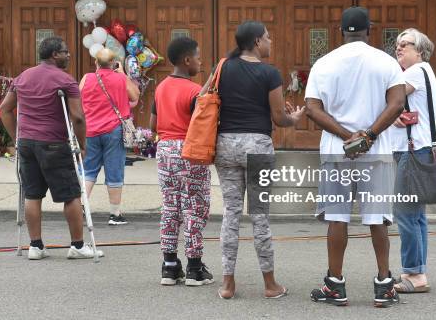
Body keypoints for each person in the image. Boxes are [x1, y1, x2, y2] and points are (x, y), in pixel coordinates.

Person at [305, 6, 405, 307]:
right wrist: (369, 135)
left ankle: (335, 285)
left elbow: (312, 108)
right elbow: (398, 103)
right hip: (378, 151)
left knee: (337, 218)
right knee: (377, 219)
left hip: (337, 152)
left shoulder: (323, 63)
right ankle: (384, 285)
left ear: (341, 31)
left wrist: (346, 137)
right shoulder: (386, 62)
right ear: (369, 30)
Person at [207, 21, 305, 299]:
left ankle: (227, 284)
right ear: (257, 42)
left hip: (225, 145)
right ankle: (270, 284)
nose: (271, 42)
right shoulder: (269, 73)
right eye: (268, 38)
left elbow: (202, 98)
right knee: (260, 215)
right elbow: (278, 118)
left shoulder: (222, 67)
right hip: (258, 146)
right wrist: (294, 118)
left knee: (231, 214)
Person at [0, 36, 96, 260]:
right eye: (65, 52)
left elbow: (5, 109)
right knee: (71, 195)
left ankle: (35, 246)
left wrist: (17, 137)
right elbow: (78, 118)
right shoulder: (65, 80)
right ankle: (78, 246)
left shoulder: (22, 77)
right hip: (54, 143)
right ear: (55, 55)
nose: (69, 55)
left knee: (32, 194)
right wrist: (82, 145)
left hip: (26, 144)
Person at [150, 37, 213, 287]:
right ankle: (195, 268)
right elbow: (202, 125)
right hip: (189, 150)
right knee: (194, 208)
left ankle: (169, 265)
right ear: (187, 60)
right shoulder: (194, 91)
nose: (200, 61)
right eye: (198, 57)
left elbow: (153, 125)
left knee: (170, 207)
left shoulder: (160, 87)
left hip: (164, 149)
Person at [390, 28, 436, 294]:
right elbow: (403, 107)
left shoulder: (413, 73)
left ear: (419, 50)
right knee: (417, 215)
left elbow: (391, 98)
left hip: (412, 152)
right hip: (421, 150)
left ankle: (414, 273)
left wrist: (390, 112)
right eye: (397, 44)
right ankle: (417, 270)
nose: (399, 48)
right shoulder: (426, 72)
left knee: (405, 213)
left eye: (405, 45)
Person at [79, 48, 140, 225]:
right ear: (114, 63)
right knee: (115, 170)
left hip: (90, 130)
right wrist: (122, 72)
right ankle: (115, 214)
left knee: (88, 170)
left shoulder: (87, 78)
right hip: (113, 130)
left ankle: (81, 207)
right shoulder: (120, 78)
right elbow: (135, 95)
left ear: (96, 63)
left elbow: (77, 98)